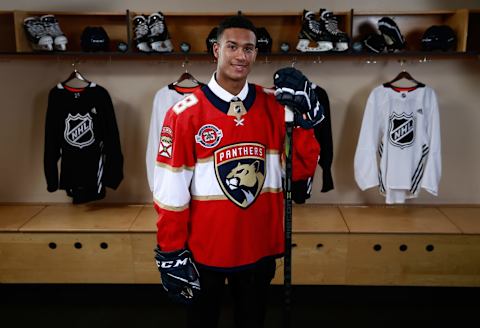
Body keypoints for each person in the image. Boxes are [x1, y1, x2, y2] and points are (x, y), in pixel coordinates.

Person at [153, 15, 320, 328]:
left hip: (259, 247)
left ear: (256, 54)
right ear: (216, 50)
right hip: (205, 250)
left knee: (252, 322)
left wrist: (307, 123)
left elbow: (299, 172)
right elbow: (170, 190)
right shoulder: (184, 113)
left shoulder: (276, 105)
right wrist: (171, 249)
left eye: (249, 48)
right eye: (232, 46)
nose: (241, 55)